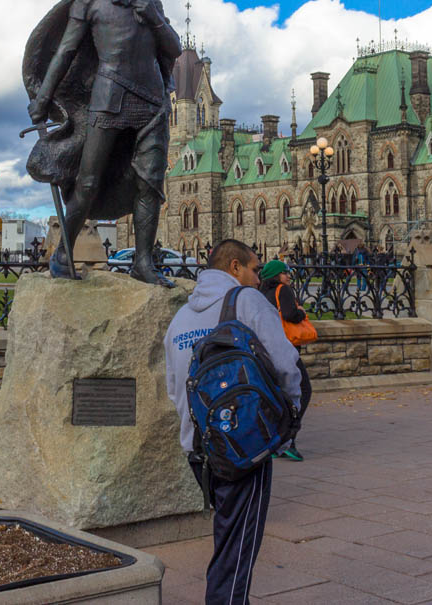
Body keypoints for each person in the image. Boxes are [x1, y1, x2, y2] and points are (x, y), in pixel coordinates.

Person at [24, 0, 182, 286]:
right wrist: (43, 97)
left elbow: (174, 49)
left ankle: (143, 262)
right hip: (109, 97)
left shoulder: (148, 0)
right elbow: (65, 52)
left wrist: (155, 18)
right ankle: (64, 255)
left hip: (152, 101)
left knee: (150, 183)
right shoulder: (89, 3)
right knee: (89, 180)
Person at [164, 239, 311, 604]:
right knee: (237, 551)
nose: (257, 277)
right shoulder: (246, 301)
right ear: (234, 267)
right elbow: (285, 362)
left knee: (229, 538)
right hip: (244, 447)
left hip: (198, 450)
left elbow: (173, 389)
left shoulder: (180, 319)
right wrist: (290, 417)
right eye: (254, 269)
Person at [259, 258, 315, 462]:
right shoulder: (283, 290)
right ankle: (288, 438)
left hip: (267, 348)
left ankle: (272, 438)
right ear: (276, 275)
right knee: (303, 390)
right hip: (286, 348)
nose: (289, 275)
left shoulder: (261, 293)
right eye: (285, 272)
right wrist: (300, 312)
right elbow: (290, 314)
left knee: (277, 394)